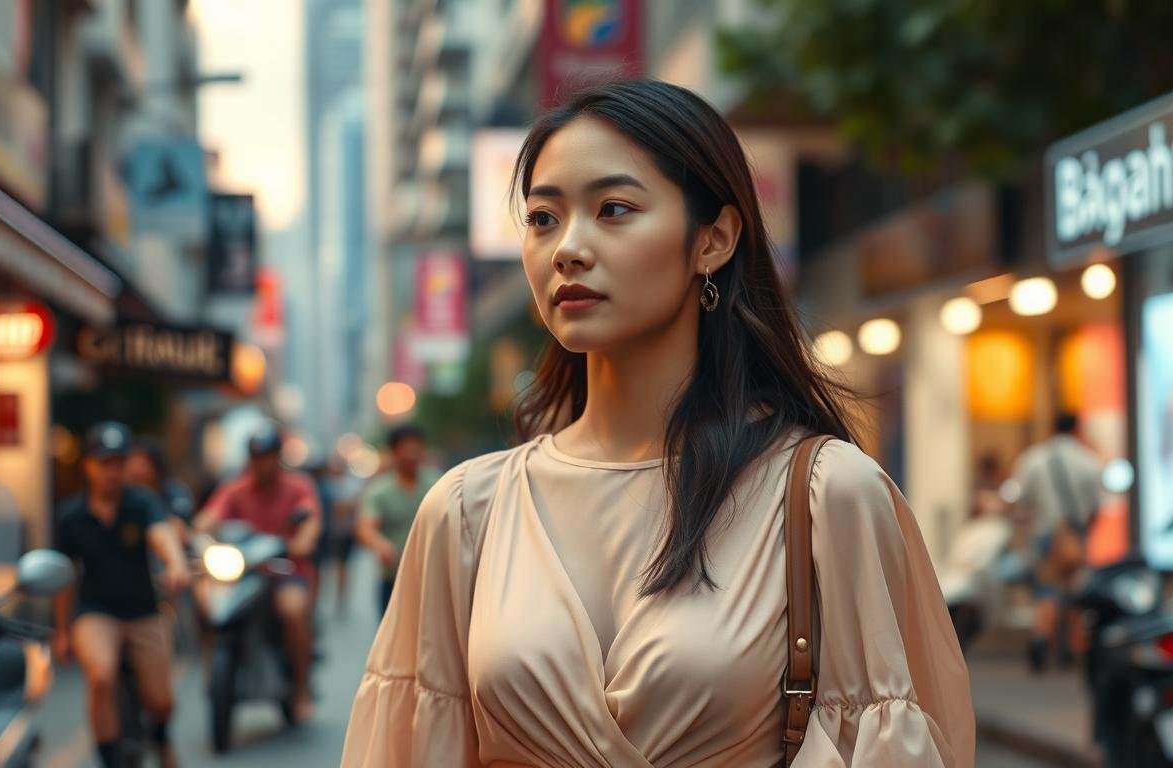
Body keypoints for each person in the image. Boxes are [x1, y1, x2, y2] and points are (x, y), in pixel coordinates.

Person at [342, 79, 973, 767]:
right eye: (543, 218)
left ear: (714, 240)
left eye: (614, 209)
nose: (567, 249)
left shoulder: (827, 497)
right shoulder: (465, 515)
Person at [53, 422, 191, 768]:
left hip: (143, 610)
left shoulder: (141, 501)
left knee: (160, 701)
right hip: (95, 611)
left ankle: (160, 735)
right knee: (101, 675)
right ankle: (110, 758)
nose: (112, 471)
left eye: (118, 462)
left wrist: (175, 564)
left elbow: (161, 533)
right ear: (88, 464)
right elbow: (64, 576)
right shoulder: (71, 517)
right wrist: (62, 631)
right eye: (104, 462)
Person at [194, 422, 322, 723]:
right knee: (202, 600)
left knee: (292, 611)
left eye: (267, 455)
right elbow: (207, 520)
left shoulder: (299, 486)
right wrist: (197, 534)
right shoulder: (234, 488)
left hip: (285, 572)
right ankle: (210, 666)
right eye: (255, 455)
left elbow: (311, 521)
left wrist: (303, 541)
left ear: (278, 456)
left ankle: (301, 687)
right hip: (243, 574)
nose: (260, 462)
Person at [1010, 412, 1103, 673]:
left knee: (1046, 591)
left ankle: (1041, 639)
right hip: (1075, 535)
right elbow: (1097, 505)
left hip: (1044, 534)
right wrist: (1081, 531)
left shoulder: (1033, 459)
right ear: (1077, 429)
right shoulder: (1089, 461)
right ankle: (1073, 650)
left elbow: (1021, 501)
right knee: (1077, 591)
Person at [354, 425, 438, 615]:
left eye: (415, 449)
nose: (411, 455)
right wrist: (380, 544)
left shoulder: (437, 483)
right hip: (394, 580)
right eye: (405, 450)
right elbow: (365, 527)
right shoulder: (380, 490)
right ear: (393, 452)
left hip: (433, 579)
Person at [314, 455, 362, 614]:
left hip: (344, 533)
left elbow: (354, 506)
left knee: (342, 567)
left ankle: (340, 599)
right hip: (327, 533)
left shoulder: (349, 485)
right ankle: (320, 600)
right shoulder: (325, 485)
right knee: (322, 568)